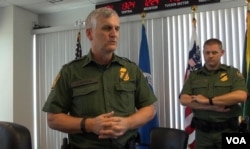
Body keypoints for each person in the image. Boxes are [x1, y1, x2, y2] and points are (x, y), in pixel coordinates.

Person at [42, 7, 157, 149]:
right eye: (107, 28)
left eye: (117, 28)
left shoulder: (131, 70)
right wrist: (89, 125)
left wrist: (128, 123)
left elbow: (149, 109)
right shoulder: (70, 72)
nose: (114, 34)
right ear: (90, 34)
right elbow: (53, 119)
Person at [179, 38, 248, 149]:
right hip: (203, 134)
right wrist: (212, 107)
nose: (210, 55)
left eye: (214, 52)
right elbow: (184, 99)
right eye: (207, 52)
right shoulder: (194, 76)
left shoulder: (233, 73)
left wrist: (208, 100)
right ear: (203, 53)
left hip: (229, 131)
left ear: (222, 53)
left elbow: (241, 96)